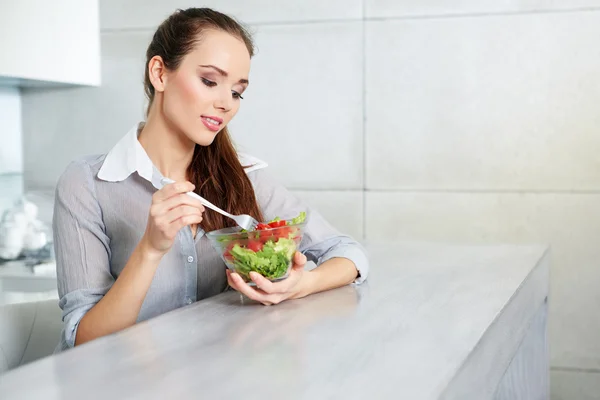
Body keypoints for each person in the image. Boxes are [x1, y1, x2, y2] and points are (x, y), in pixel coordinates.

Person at [53, 7, 369, 352]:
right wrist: (150, 250)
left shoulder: (243, 176)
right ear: (160, 73)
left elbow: (347, 254)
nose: (226, 104)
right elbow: (82, 338)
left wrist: (298, 285)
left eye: (237, 92)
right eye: (209, 81)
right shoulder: (87, 183)